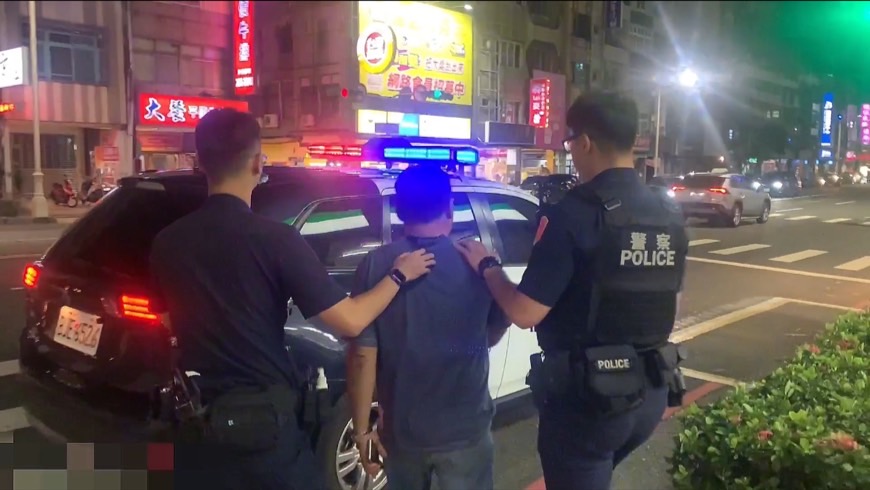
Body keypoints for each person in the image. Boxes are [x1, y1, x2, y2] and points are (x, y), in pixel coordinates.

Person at [149, 108, 435, 490]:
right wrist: (399, 275)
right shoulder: (276, 240)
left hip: (195, 423)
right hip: (264, 429)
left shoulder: (167, 242)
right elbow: (351, 320)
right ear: (257, 163)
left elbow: (169, 323)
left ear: (200, 162)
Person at [455, 92, 689, 490]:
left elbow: (524, 313)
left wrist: (488, 267)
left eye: (569, 143)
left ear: (585, 143)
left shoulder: (574, 213)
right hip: (651, 390)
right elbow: (672, 300)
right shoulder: (668, 213)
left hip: (591, 401)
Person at [346, 165, 510, 490]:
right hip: (466, 428)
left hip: (402, 432)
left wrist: (362, 431)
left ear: (399, 209)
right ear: (449, 207)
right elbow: (498, 323)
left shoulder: (376, 265)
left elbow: (362, 356)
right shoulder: (477, 261)